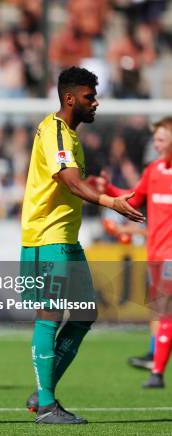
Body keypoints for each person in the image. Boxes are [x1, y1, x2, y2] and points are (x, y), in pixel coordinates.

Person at [20, 66, 143, 424]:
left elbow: (72, 182)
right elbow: (69, 182)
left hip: (64, 239)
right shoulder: (56, 132)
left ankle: (45, 389)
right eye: (90, 97)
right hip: (47, 238)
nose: (96, 103)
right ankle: (45, 405)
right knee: (50, 315)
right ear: (70, 98)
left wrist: (100, 189)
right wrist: (110, 204)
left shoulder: (66, 134)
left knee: (85, 314)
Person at [98, 117, 172, 388]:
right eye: (156, 138)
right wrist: (106, 189)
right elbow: (132, 197)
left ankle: (157, 372)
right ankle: (156, 365)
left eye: (162, 138)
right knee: (161, 312)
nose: (156, 142)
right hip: (155, 253)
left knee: (164, 312)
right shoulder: (153, 171)